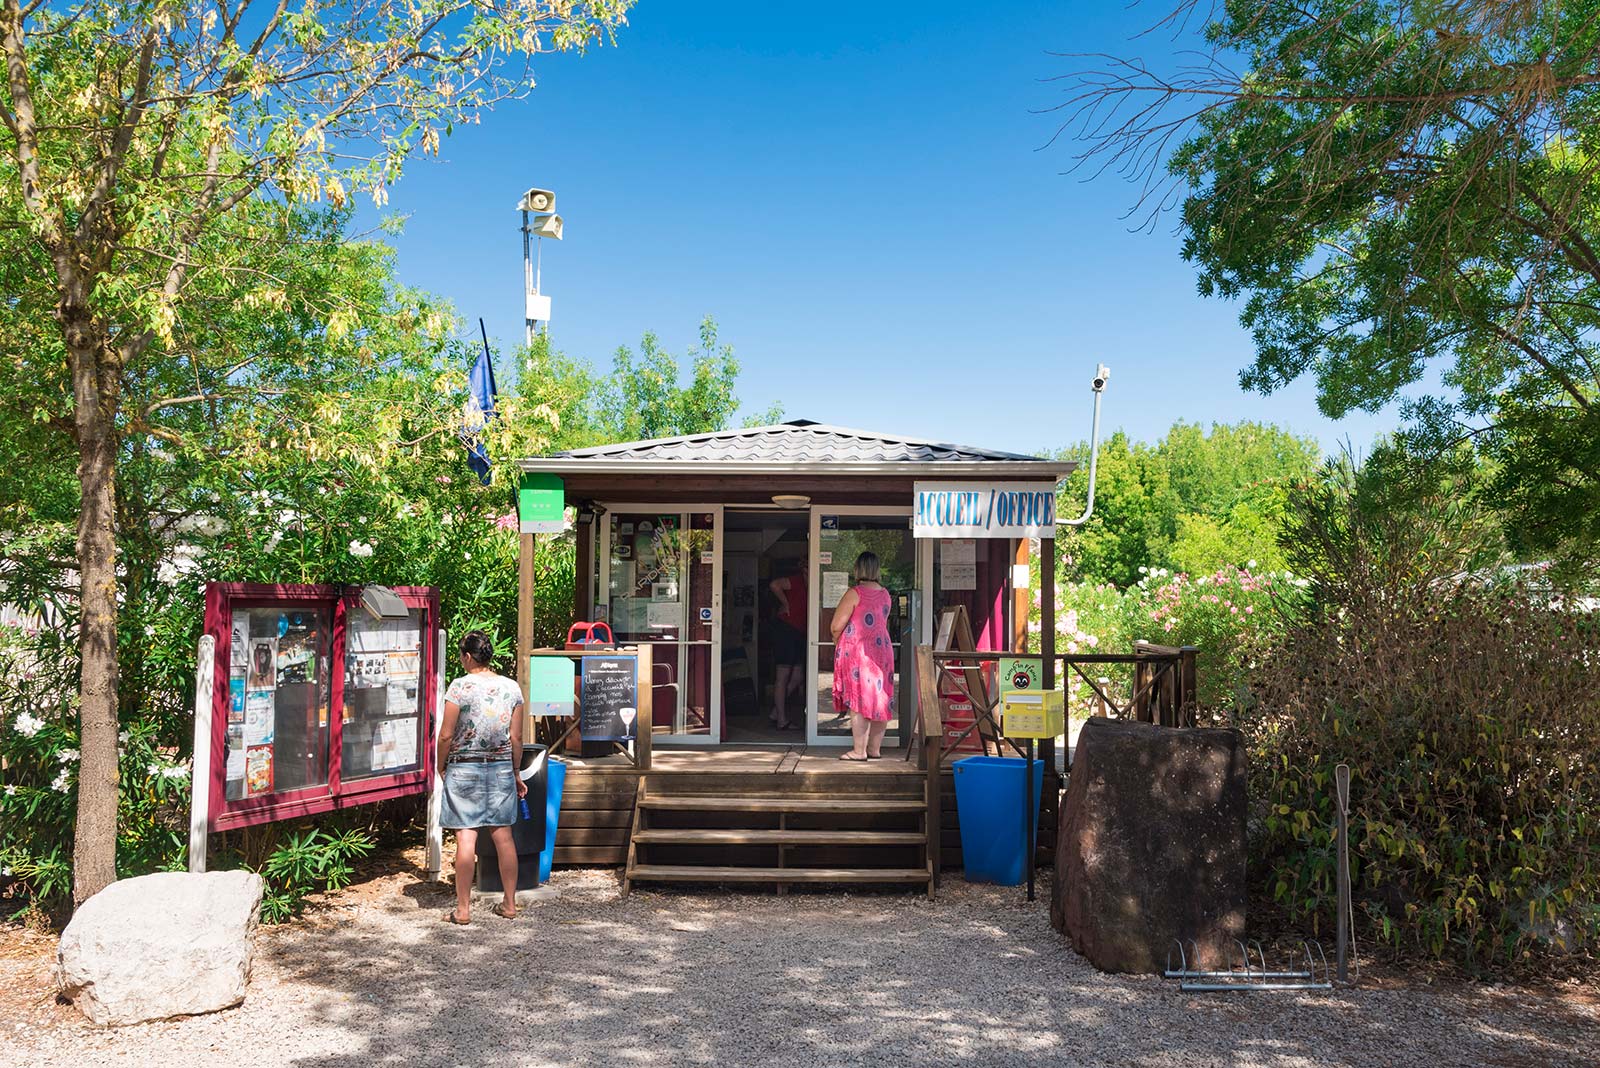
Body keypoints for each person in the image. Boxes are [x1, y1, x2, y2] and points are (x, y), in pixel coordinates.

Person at [437, 630, 526, 923]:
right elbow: (516, 738)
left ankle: (463, 910)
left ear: (466, 656)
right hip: (500, 766)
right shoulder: (511, 688)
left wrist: (441, 765)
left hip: (464, 767)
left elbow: (447, 734)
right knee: (504, 838)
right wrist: (515, 772)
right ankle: (510, 904)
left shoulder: (459, 688)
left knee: (466, 838)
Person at [830, 552, 895, 761]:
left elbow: (835, 626)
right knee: (880, 697)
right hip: (882, 650)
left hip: (858, 651)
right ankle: (874, 749)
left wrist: (838, 642)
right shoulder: (885, 594)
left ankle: (859, 751)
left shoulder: (855, 592)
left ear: (858, 569)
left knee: (859, 700)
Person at [768, 560, 807, 731]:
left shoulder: (813, 585)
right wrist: (786, 604)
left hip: (799, 633)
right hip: (786, 630)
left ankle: (777, 711)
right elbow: (774, 584)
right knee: (782, 676)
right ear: (804, 568)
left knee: (798, 676)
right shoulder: (796, 581)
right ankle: (781, 720)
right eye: (807, 567)